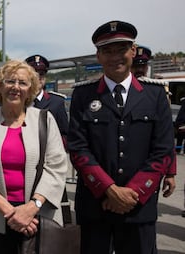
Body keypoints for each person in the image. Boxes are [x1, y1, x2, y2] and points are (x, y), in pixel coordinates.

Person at [67, 20, 176, 254]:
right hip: (96, 205)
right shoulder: (82, 95)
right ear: (98, 56)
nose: (114, 56)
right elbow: (78, 148)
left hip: (140, 207)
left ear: (133, 51)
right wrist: (110, 190)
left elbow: (163, 150)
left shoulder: (155, 94)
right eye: (107, 51)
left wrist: (131, 194)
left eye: (121, 49)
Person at [0, 60, 68, 254]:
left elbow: (57, 167)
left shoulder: (45, 119)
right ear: (0, 87)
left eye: (23, 83)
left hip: (38, 217)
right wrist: (11, 212)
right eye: (10, 81)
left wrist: (31, 208)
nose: (16, 87)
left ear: (31, 89)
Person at [130, 45, 176, 198]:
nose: (139, 70)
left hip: (150, 167)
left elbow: (166, 137)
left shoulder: (158, 93)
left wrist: (170, 172)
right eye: (135, 65)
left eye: (143, 66)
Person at [25, 54, 69, 144]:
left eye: (42, 74)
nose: (39, 78)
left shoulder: (57, 102)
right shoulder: (20, 102)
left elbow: (65, 134)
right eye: (34, 74)